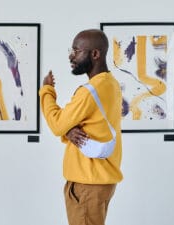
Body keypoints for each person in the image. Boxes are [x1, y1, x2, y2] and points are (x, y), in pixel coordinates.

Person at [39, 29, 123, 225]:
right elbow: (91, 126)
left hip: (87, 184)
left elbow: (57, 124)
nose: (71, 55)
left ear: (95, 54)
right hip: (101, 181)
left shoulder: (90, 91)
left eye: (76, 51)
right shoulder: (111, 84)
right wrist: (68, 131)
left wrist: (47, 91)